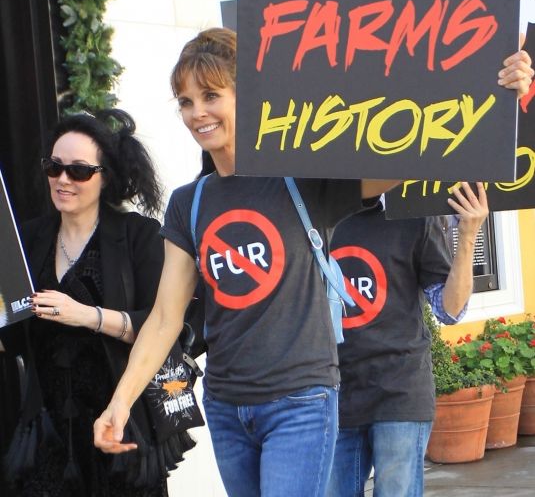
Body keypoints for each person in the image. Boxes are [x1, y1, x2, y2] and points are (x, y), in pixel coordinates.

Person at [93, 29, 533, 497]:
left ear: (249, 95)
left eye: (211, 95)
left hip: (300, 403)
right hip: (226, 407)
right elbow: (164, 319)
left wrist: (494, 88)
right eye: (185, 101)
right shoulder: (189, 203)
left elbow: (417, 152)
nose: (197, 112)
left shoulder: (301, 179)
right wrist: (120, 404)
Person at [0, 109, 194, 497]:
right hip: (50, 425)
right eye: (54, 168)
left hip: (120, 422)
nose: (63, 180)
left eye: (79, 171)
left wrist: (88, 316)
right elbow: (18, 332)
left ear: (105, 179)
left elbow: (166, 326)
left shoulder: (138, 235)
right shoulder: (30, 238)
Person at [327, 182, 488, 497]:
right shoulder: (317, 215)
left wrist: (468, 235)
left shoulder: (415, 216)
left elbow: (450, 310)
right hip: (333, 392)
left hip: (399, 391)